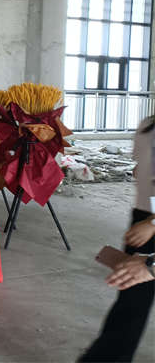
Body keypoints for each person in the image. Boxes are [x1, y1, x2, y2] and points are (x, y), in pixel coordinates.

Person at [79, 116, 155, 362]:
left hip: (149, 222)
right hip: (144, 215)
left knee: (133, 294)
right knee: (131, 298)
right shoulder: (148, 125)